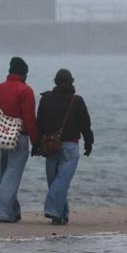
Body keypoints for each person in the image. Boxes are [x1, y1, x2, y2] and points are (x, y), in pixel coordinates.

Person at [35, 69, 94, 225]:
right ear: (71, 82)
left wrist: (36, 144)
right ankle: (55, 211)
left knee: (54, 180)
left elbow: (39, 123)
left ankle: (60, 214)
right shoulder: (77, 101)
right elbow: (86, 126)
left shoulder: (46, 99)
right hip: (70, 146)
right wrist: (89, 143)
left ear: (55, 82)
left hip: (49, 145)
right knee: (61, 181)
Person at [0, 57, 39, 222]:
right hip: (19, 137)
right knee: (13, 175)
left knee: (4, 174)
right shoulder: (25, 90)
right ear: (24, 73)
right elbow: (29, 119)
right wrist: (36, 141)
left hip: (0, 135)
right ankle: (5, 213)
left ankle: (13, 210)